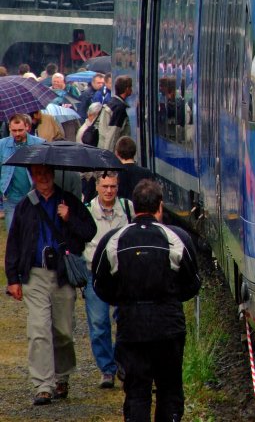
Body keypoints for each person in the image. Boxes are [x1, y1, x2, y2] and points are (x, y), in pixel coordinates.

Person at [92, 179, 201, 422]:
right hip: (168, 325)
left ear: (134, 206)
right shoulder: (177, 238)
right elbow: (193, 282)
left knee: (136, 391)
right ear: (160, 206)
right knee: (169, 389)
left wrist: (123, 300)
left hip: (131, 325)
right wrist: (172, 299)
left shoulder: (114, 239)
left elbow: (100, 284)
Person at [4, 164, 96, 406]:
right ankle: (43, 385)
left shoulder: (68, 201)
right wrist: (12, 278)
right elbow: (14, 242)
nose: (43, 178)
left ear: (53, 175)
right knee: (39, 330)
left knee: (63, 332)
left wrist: (69, 218)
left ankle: (61, 376)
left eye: (46, 173)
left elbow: (89, 231)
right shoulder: (25, 206)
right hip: (35, 275)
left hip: (62, 275)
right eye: (38, 174)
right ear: (32, 177)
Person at [84, 171, 132, 389]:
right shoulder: (86, 211)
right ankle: (106, 369)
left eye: (113, 186)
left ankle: (121, 362)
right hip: (95, 274)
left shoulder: (128, 208)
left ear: (118, 187)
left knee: (126, 321)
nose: (109, 191)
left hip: (123, 275)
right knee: (98, 324)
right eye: (105, 186)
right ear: (97, 187)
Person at [1, 114, 46, 230]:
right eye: (14, 130)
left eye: (20, 130)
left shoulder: (40, 144)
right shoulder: (2, 145)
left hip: (35, 196)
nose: (17, 134)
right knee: (13, 233)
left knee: (33, 233)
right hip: (11, 198)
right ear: (9, 128)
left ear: (28, 127)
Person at [98, 75, 132, 153]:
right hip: (110, 151)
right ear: (127, 89)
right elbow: (113, 134)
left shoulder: (112, 103)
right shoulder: (119, 108)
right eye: (131, 87)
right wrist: (109, 155)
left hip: (103, 146)